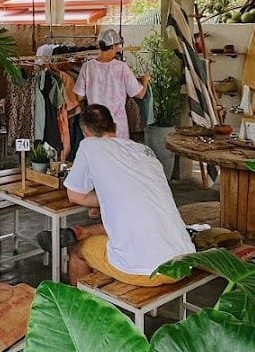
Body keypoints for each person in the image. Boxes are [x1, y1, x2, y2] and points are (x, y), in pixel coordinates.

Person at [61, 104, 195, 287]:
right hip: (183, 260)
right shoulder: (142, 150)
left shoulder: (89, 146)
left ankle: (78, 311)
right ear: (114, 127)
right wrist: (108, 198)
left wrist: (102, 200)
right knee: (123, 224)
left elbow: (75, 195)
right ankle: (84, 233)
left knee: (76, 250)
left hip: (145, 270)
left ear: (85, 133)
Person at [72, 28, 148, 140]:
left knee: (97, 154)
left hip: (95, 123)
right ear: (113, 46)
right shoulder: (121, 67)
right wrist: (144, 80)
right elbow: (139, 94)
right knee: (117, 154)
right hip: (117, 124)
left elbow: (79, 96)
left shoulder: (87, 67)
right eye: (117, 45)